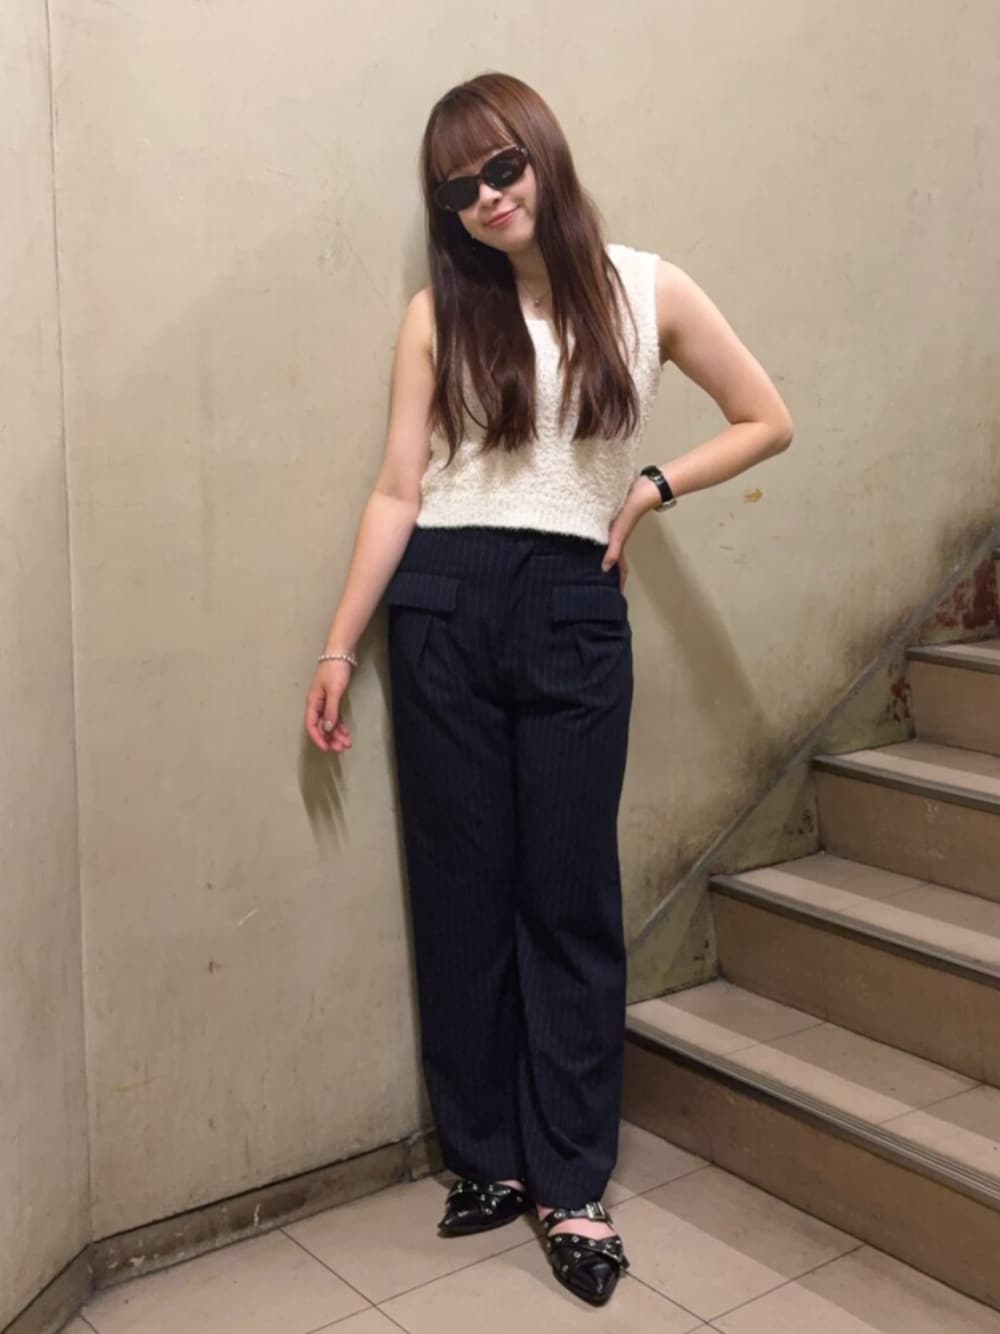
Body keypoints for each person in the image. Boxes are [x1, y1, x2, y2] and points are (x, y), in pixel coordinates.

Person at [305, 71, 793, 1307]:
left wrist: (651, 489)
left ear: (543, 157)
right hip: (440, 599)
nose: (485, 197)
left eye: (501, 167)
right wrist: (338, 644)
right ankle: (486, 1153)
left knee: (567, 893)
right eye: (457, 188)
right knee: (460, 891)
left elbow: (766, 416)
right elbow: (398, 487)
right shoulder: (438, 312)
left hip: (574, 601)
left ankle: (570, 1178)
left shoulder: (645, 287)